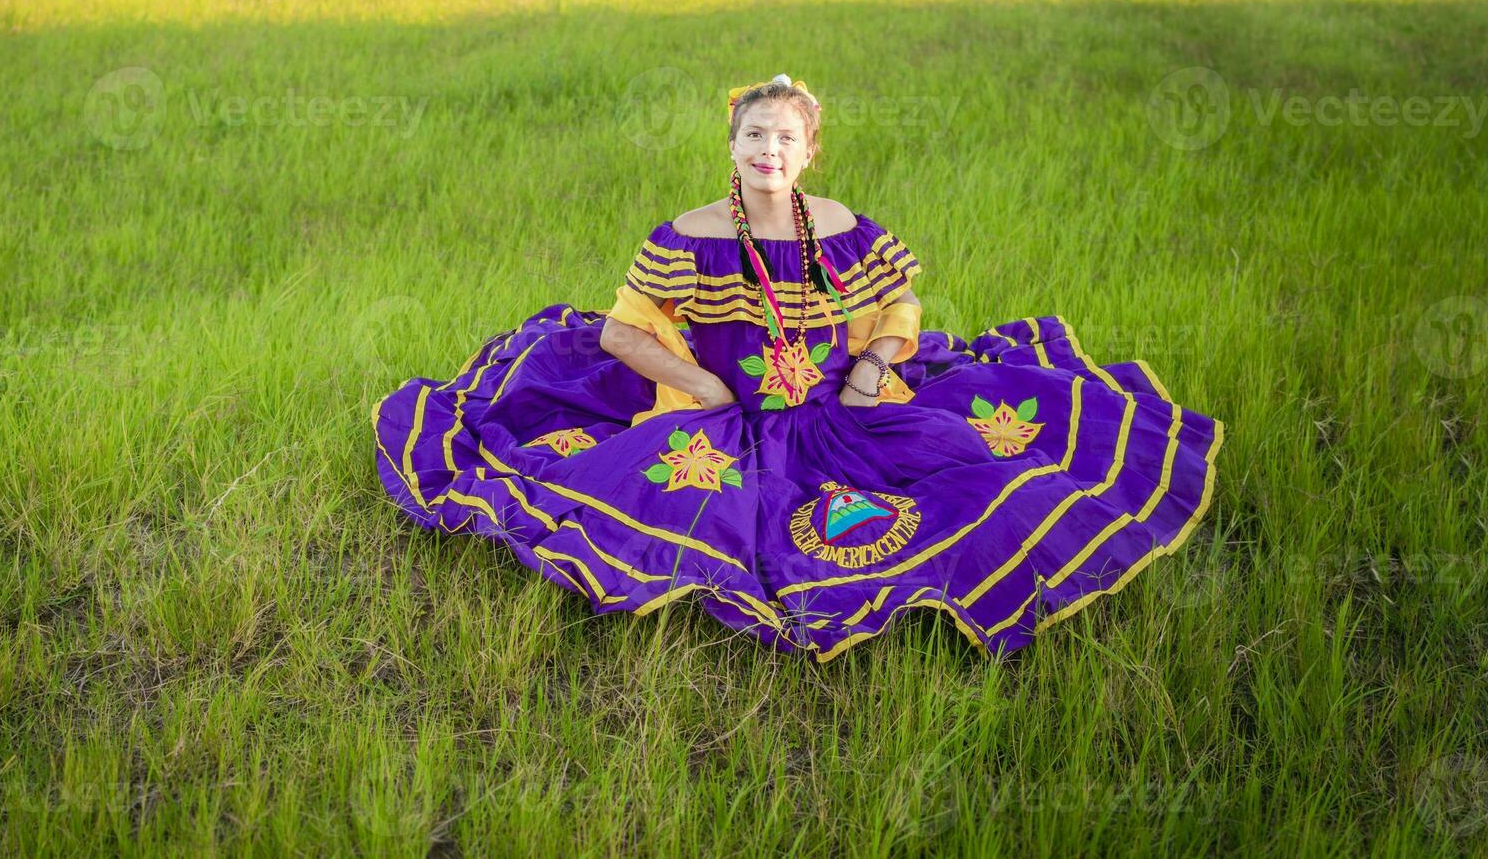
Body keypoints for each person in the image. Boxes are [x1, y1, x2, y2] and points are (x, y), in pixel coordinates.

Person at [371, 74, 1225, 662]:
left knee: (974, 469)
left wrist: (872, 367)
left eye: (783, 138)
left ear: (808, 151)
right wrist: (702, 385)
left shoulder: (843, 226)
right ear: (731, 143)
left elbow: (898, 311)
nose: (766, 150)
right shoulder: (689, 234)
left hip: (836, 403)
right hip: (721, 412)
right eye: (752, 135)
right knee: (673, 501)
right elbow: (620, 336)